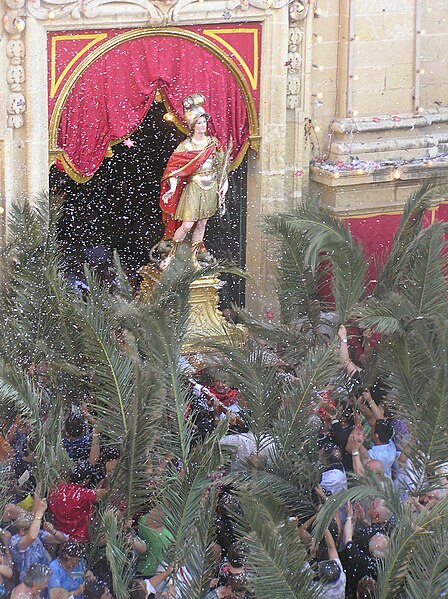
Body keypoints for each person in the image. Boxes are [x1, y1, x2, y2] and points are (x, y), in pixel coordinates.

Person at [159, 93, 228, 268]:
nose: (203, 125)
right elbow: (174, 170)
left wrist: (224, 185)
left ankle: (194, 259)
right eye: (199, 122)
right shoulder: (186, 146)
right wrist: (172, 188)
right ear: (193, 125)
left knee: (202, 224)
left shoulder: (213, 143)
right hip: (194, 188)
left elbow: (221, 167)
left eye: (204, 122)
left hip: (210, 187)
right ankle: (171, 256)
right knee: (187, 225)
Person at [9, 496, 67, 581]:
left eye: (28, 528)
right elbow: (32, 537)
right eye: (22, 528)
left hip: (46, 577)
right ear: (19, 529)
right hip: (29, 581)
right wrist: (39, 513)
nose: (23, 531)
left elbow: (62, 539)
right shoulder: (14, 541)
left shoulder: (38, 534)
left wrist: (53, 531)